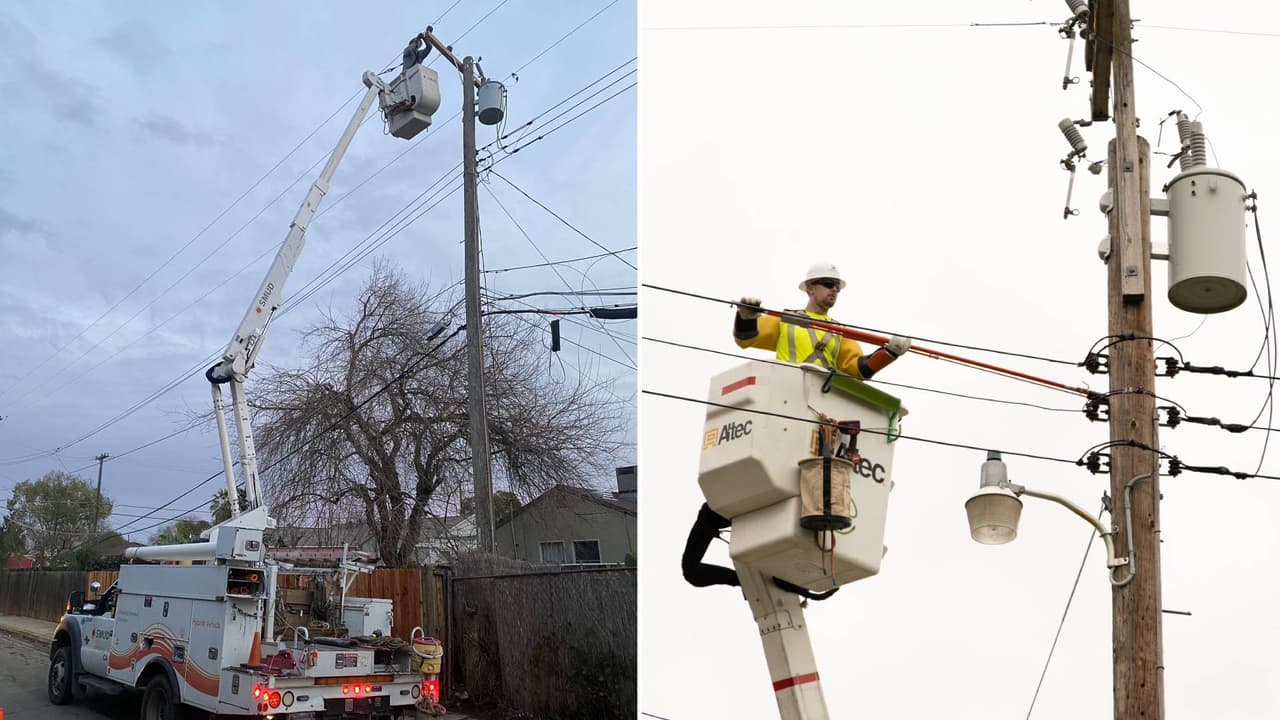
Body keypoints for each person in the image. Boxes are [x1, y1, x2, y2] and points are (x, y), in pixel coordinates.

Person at [732, 260, 910, 379]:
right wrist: (745, 317)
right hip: (786, 390)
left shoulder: (840, 332)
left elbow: (858, 370)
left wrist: (889, 353)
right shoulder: (787, 320)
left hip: (822, 400)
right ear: (810, 288)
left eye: (837, 286)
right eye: (828, 283)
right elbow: (745, 339)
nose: (834, 289)